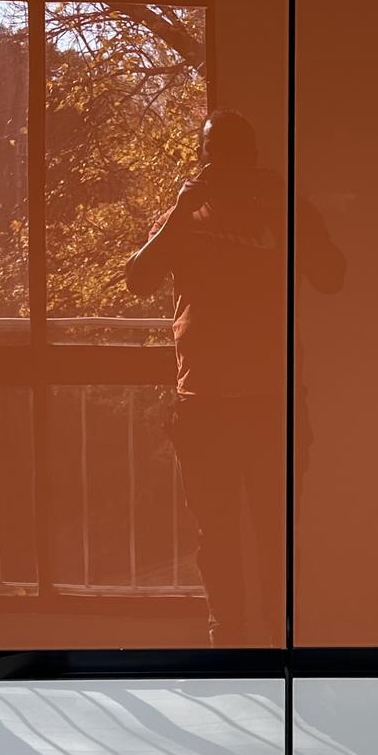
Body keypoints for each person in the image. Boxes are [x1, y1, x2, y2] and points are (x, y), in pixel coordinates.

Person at [125, 112, 289, 637]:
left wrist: (284, 204)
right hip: (204, 402)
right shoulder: (183, 218)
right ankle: (229, 638)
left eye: (235, 154)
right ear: (202, 159)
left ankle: (282, 635)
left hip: (270, 400)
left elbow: (328, 275)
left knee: (276, 531)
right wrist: (179, 210)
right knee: (216, 534)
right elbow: (138, 280)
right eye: (216, 153)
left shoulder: (275, 211)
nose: (226, 165)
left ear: (254, 160)